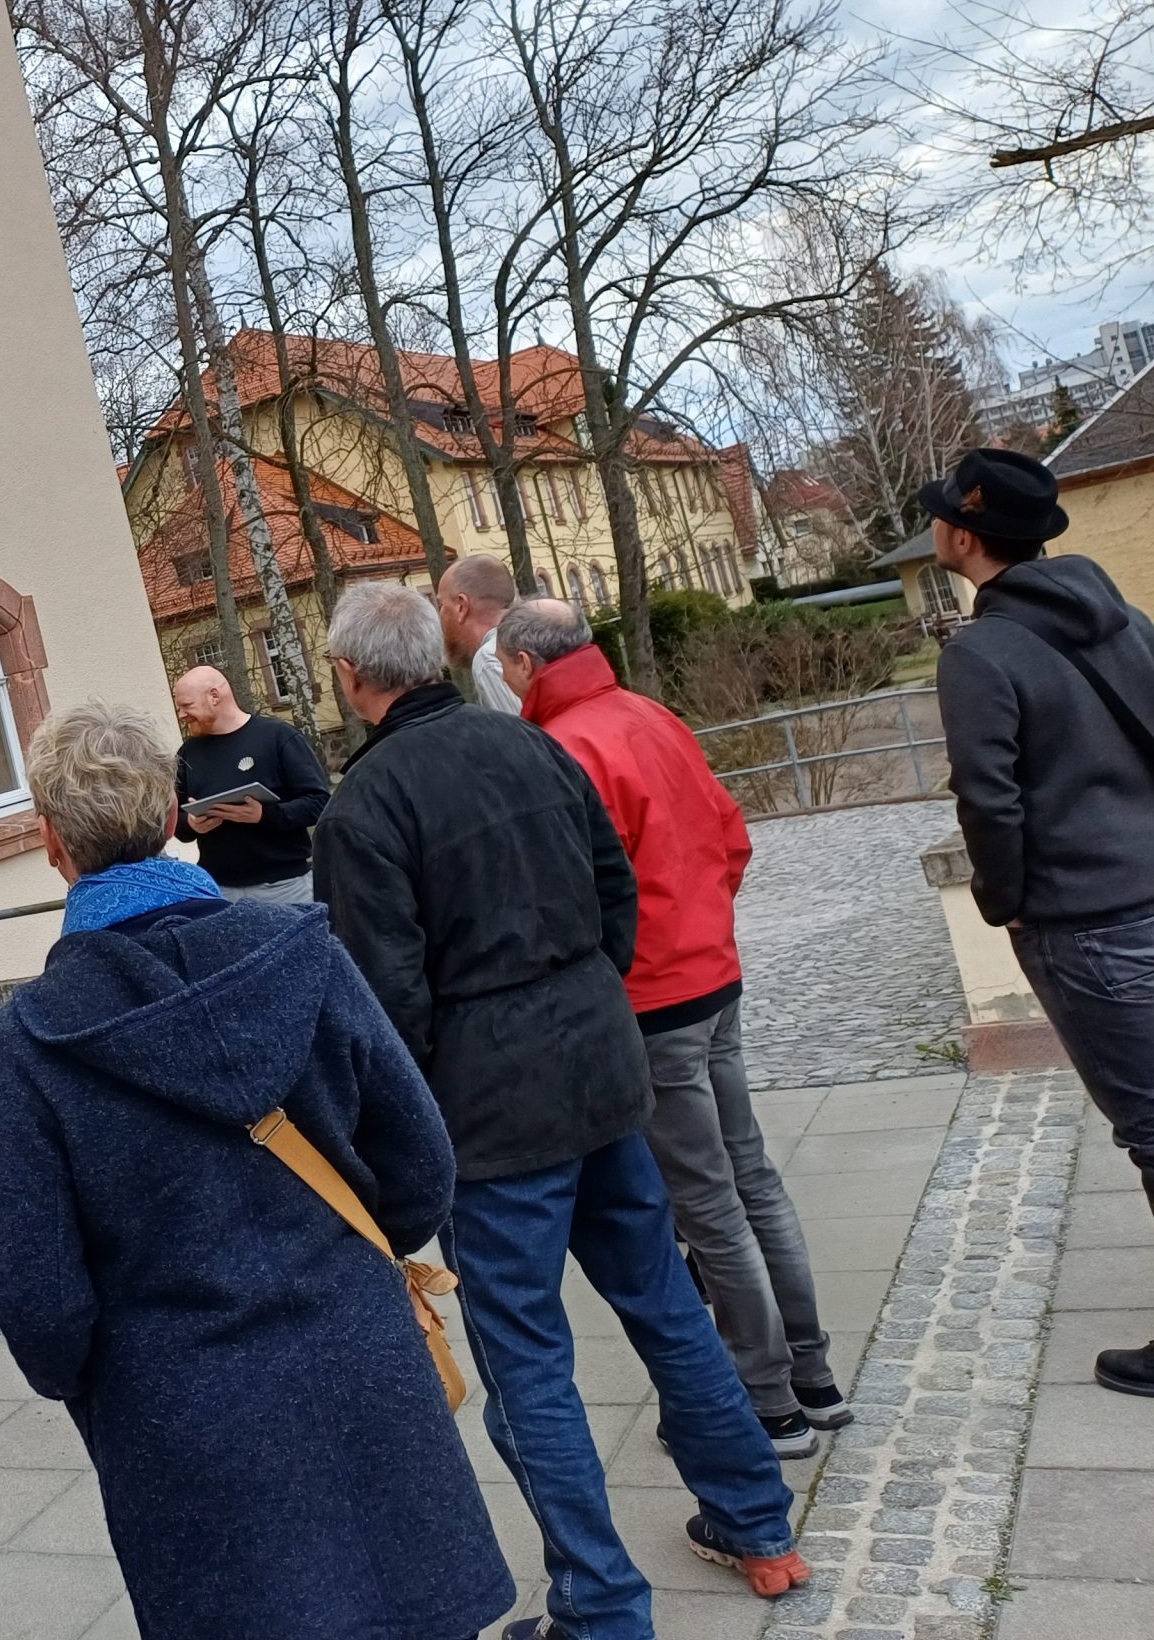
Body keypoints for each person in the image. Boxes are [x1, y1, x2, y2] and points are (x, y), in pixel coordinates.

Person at [312, 583, 806, 1640]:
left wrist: (406, 1120)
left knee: (529, 1361)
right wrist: (581, 1001)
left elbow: (384, 1001)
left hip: (494, 1116)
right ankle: (759, 1525)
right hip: (595, 1069)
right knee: (665, 1303)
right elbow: (614, 894)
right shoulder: (528, 745)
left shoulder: (367, 807)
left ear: (353, 680)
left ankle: (602, 1609)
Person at [0, 701, 516, 1640]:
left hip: (184, 1418)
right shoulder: (303, 952)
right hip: (364, 1365)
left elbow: (43, 1309)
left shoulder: (30, 1040)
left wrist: (119, 1382)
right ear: (177, 811)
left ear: (50, 843)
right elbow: (423, 1165)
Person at [500, 598, 847, 1456]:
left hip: (654, 999)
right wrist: (703, 924)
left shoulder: (567, 745)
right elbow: (731, 837)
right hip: (712, 976)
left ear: (526, 665)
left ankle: (767, 1402)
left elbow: (581, 891)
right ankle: (813, 1374)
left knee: (705, 1203)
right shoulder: (649, 713)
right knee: (752, 1177)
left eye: (507, 668)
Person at [924, 447, 1154, 1398]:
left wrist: (1004, 901)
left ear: (967, 537)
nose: (934, 525)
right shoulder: (1125, 619)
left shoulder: (981, 652)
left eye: (943, 514)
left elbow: (991, 801)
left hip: (1089, 920)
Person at [169, 664, 332, 903]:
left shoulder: (278, 737)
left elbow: (319, 804)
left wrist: (264, 815)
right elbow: (175, 821)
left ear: (214, 696)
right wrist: (193, 824)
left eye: (187, 706)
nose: (181, 715)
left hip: (285, 888)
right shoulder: (187, 754)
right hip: (219, 890)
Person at [437, 553, 523, 713]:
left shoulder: (490, 658)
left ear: (461, 606)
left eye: (441, 604)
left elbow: (522, 734)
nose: (440, 614)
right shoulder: (537, 637)